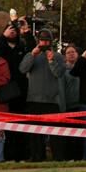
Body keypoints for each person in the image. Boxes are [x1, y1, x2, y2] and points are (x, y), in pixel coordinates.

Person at [19, 29, 65, 161]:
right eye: (42, 41)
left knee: (56, 134)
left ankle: (58, 159)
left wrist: (51, 61)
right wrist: (32, 55)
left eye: (47, 41)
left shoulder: (58, 57)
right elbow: (22, 69)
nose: (44, 43)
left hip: (52, 101)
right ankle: (37, 157)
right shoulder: (32, 54)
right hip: (34, 100)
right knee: (35, 135)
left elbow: (59, 73)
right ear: (38, 41)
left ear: (51, 42)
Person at [0, 22, 30, 161]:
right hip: (7, 91)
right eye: (8, 30)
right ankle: (9, 155)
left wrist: (26, 31)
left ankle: (22, 155)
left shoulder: (21, 47)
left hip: (22, 91)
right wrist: (3, 37)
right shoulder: (1, 47)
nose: (12, 32)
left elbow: (32, 49)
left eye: (14, 30)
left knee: (22, 124)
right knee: (9, 126)